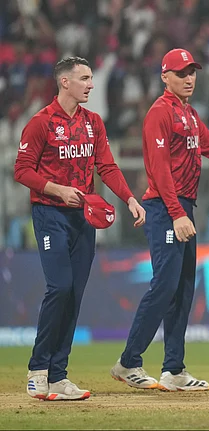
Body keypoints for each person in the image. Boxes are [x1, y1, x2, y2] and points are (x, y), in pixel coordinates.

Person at [16, 56, 146, 401]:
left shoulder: (94, 123)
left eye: (90, 78)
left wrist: (130, 198)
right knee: (59, 287)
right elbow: (22, 170)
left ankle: (58, 376)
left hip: (83, 219)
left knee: (74, 295)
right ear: (65, 82)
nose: (91, 84)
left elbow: (107, 166)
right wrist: (57, 190)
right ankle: (37, 370)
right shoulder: (41, 122)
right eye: (85, 78)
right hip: (49, 214)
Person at [111, 48, 209, 392]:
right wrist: (177, 214)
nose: (189, 78)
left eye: (192, 72)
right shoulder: (159, 113)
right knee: (165, 286)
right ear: (165, 76)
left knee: (181, 290)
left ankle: (174, 369)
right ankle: (128, 361)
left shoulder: (189, 113)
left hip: (182, 208)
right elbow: (158, 170)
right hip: (166, 209)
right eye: (181, 73)